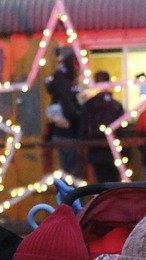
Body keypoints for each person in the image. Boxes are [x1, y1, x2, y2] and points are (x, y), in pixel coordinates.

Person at [79, 70, 125, 183]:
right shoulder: (116, 106)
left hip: (95, 152)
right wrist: (125, 151)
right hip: (115, 151)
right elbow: (123, 130)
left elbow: (83, 130)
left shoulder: (88, 106)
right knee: (115, 184)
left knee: (100, 183)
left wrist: (84, 151)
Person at [45, 46, 81, 176]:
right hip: (68, 132)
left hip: (64, 131)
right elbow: (67, 104)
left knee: (69, 169)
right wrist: (76, 116)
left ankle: (72, 194)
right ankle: (73, 195)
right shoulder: (64, 79)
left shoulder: (62, 78)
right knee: (71, 171)